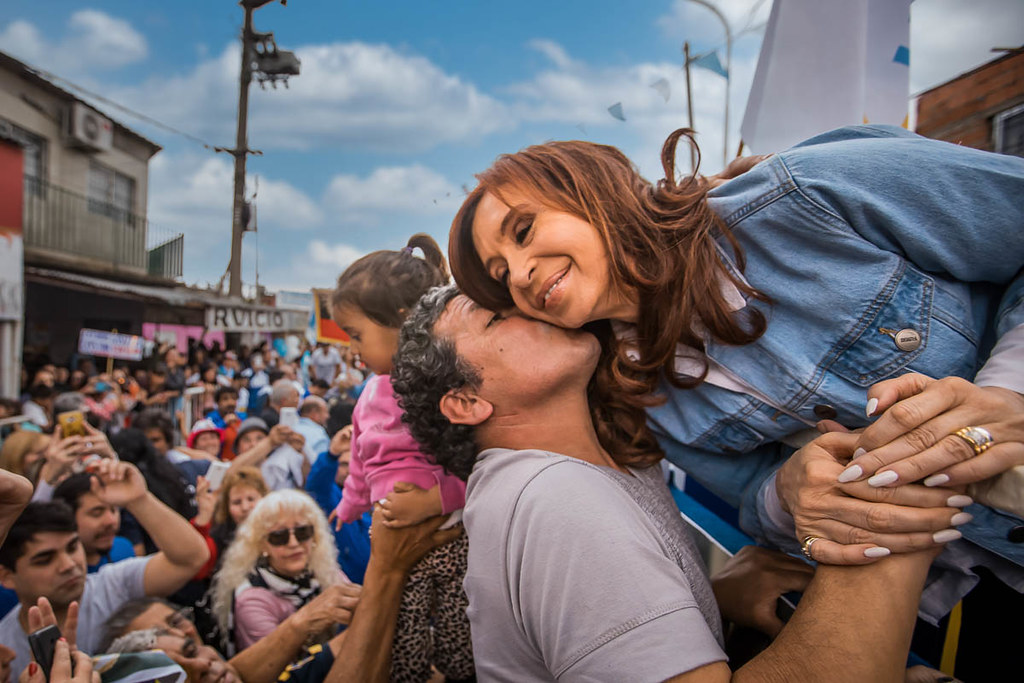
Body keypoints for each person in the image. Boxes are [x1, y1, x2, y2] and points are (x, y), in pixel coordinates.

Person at [448, 127, 1024, 663]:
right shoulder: (635, 392)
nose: (519, 274)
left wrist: (1009, 387)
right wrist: (790, 490)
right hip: (963, 595)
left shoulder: (804, 194)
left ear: (588, 189)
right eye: (501, 276)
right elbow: (751, 497)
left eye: (523, 231)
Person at [389, 283, 943, 680]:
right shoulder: (549, 496)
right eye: (494, 318)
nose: (526, 304)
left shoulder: (597, 462)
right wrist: (894, 481)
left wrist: (710, 600)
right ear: (466, 401)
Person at [330, 234, 474, 682]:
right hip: (391, 533)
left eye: (357, 335)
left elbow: (478, 464)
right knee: (400, 631)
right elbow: (360, 461)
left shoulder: (444, 387)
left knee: (460, 632)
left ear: (403, 320)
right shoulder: (368, 394)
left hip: (448, 532)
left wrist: (436, 501)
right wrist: (349, 504)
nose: (353, 349)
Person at [0, 459, 209, 675]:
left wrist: (139, 500)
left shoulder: (114, 585)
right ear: (6, 576)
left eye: (72, 547)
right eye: (45, 560)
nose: (68, 565)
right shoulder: (5, 650)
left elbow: (191, 558)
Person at [210, 489, 345, 654]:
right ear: (262, 544)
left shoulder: (324, 571)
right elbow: (278, 661)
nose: (293, 543)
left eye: (303, 532)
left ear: (314, 536)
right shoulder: (252, 600)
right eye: (279, 536)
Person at [304, 426, 371, 585]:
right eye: (343, 464)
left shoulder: (372, 496)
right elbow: (317, 485)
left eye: (354, 464)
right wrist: (332, 454)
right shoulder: (328, 496)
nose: (349, 470)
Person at [51, 473, 135, 572]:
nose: (111, 521)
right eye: (96, 513)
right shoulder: (58, 573)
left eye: (113, 510)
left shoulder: (123, 548)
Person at [294, 396, 329, 464]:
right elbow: (322, 464)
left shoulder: (291, 428)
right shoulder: (319, 438)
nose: (328, 416)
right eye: (325, 412)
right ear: (314, 414)